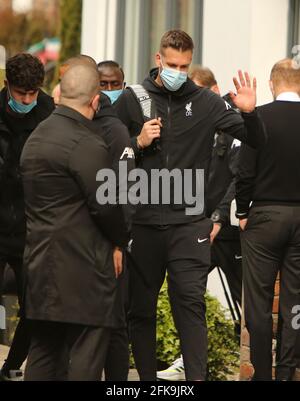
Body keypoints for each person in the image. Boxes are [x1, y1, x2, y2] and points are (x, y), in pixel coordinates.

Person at [114, 29, 265, 381]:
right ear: (158, 60)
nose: (177, 71)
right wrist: (137, 142)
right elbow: (108, 156)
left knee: (190, 307)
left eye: (183, 66)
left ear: (190, 63)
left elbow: (256, 141)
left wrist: (251, 112)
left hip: (188, 225)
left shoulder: (208, 103)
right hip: (144, 222)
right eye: (171, 64)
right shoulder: (131, 100)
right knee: (141, 310)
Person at [21, 64, 128, 381]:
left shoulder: (36, 137)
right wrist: (120, 241)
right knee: (87, 353)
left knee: (43, 350)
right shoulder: (87, 143)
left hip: (40, 265)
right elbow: (107, 208)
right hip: (84, 269)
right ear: (96, 101)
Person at [157, 66, 242, 381]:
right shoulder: (199, 123)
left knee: (244, 297)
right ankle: (189, 363)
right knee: (188, 295)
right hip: (197, 226)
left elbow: (238, 176)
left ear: (212, 91)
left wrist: (219, 218)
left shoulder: (232, 125)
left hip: (226, 230)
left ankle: (252, 359)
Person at [236, 58, 300, 381]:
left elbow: (244, 168)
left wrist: (242, 211)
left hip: (264, 215)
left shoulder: (258, 118)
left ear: (273, 84)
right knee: (295, 300)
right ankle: (287, 372)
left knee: (259, 302)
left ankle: (262, 372)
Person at [0, 53, 55, 380]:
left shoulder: (50, 113)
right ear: (8, 86)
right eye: (21, 93)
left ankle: (11, 366)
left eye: (32, 93)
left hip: (32, 229)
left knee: (34, 307)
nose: (27, 99)